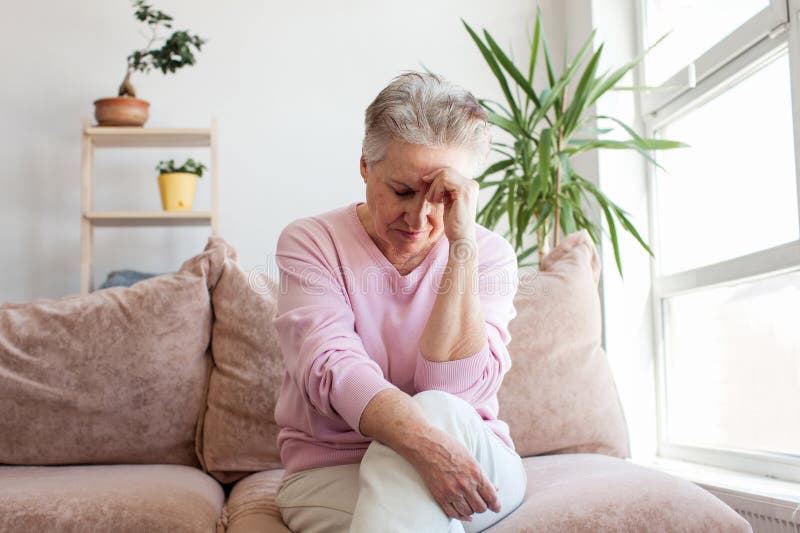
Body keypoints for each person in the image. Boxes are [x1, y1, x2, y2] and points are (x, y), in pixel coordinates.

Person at [273, 71, 526, 533]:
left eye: (442, 197)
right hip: (335, 472)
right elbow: (331, 368)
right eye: (403, 192)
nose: (419, 218)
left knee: (442, 409)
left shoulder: (488, 255)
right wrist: (424, 447)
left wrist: (462, 246)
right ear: (366, 168)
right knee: (411, 504)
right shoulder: (311, 242)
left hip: (473, 460)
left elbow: (455, 392)